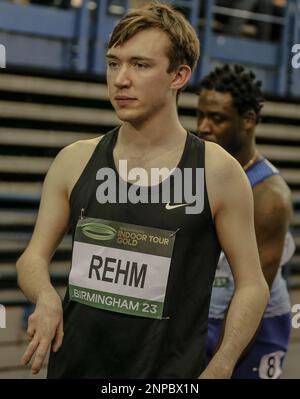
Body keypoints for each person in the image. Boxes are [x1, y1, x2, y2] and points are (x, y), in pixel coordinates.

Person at [16, 3, 269, 378]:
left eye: (140, 65)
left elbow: (252, 285)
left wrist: (222, 364)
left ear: (178, 76)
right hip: (75, 369)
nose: (120, 78)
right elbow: (31, 260)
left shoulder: (217, 172)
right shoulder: (74, 161)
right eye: (114, 63)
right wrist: (46, 296)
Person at [197, 64, 295, 379]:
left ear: (248, 120)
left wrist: (222, 361)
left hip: (253, 325)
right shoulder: (200, 170)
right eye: (200, 115)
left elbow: (252, 294)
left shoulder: (269, 198)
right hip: (207, 312)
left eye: (217, 118)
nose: (202, 127)